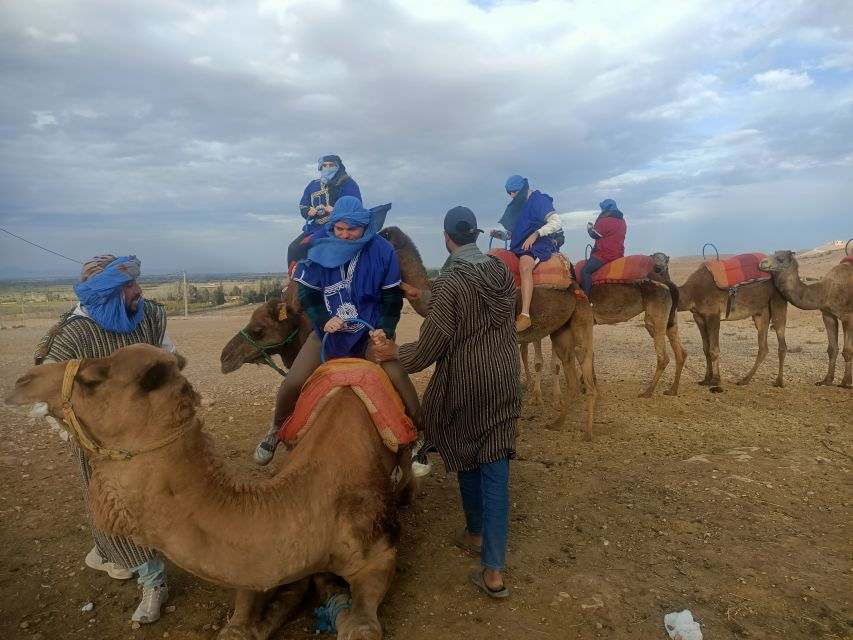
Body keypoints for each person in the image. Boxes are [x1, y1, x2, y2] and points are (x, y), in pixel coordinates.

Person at [372, 206, 521, 599]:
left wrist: (390, 354)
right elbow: (476, 309)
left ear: (445, 238)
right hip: (505, 379)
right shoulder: (500, 271)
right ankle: (492, 568)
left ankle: (476, 536)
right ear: (473, 234)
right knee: (495, 462)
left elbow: (427, 351)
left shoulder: (452, 282)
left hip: (468, 384)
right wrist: (424, 295)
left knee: (467, 452)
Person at [33, 255, 173, 624]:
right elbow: (43, 396)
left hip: (150, 435)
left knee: (152, 502)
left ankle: (107, 552)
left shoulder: (152, 316)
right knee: (115, 507)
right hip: (99, 446)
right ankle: (153, 581)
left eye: (136, 281)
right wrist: (82, 434)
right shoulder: (70, 335)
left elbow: (168, 360)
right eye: (128, 285)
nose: (138, 290)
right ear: (107, 293)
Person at [254, 196, 421, 466]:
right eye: (339, 229)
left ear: (365, 227)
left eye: (351, 229)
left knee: (395, 374)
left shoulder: (382, 251)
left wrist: (384, 330)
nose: (344, 235)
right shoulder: (320, 249)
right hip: (329, 334)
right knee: (294, 382)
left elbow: (391, 297)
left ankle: (417, 437)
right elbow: (309, 294)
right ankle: (275, 429)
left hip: (368, 332)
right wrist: (323, 321)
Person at [492, 175, 563, 332]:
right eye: (509, 193)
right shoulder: (519, 205)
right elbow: (514, 233)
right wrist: (501, 235)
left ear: (523, 188)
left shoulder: (539, 200)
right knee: (498, 261)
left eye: (514, 192)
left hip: (538, 244)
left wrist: (536, 234)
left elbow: (556, 222)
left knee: (525, 265)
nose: (512, 196)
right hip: (519, 245)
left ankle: (525, 316)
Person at [286, 154, 362, 272]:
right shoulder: (313, 185)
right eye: (324, 165)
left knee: (309, 246)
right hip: (315, 227)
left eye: (331, 165)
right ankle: (293, 281)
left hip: (339, 227)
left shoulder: (348, 183)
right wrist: (308, 211)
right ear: (320, 168)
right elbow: (303, 205)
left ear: (338, 166)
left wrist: (336, 210)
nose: (327, 168)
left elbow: (355, 205)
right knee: (293, 248)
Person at [580, 198, 627, 298]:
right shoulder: (622, 221)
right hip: (618, 254)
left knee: (585, 271)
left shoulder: (605, 221)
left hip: (605, 255)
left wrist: (589, 228)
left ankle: (585, 299)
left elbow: (594, 234)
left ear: (606, 208)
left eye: (602, 208)